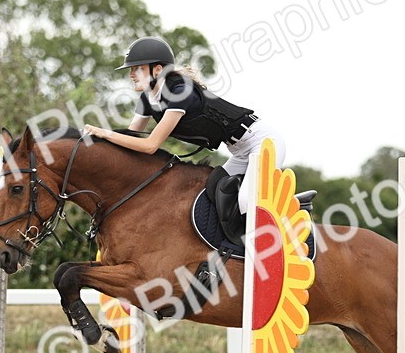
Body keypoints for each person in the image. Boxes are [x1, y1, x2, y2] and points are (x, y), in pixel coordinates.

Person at [82, 36, 285, 223]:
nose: (131, 75)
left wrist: (105, 133)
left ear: (157, 69)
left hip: (263, 143)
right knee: (211, 193)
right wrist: (97, 143)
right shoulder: (147, 99)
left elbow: (150, 145)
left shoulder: (181, 91)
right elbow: (130, 138)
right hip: (239, 151)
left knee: (245, 201)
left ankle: (263, 246)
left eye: (137, 69)